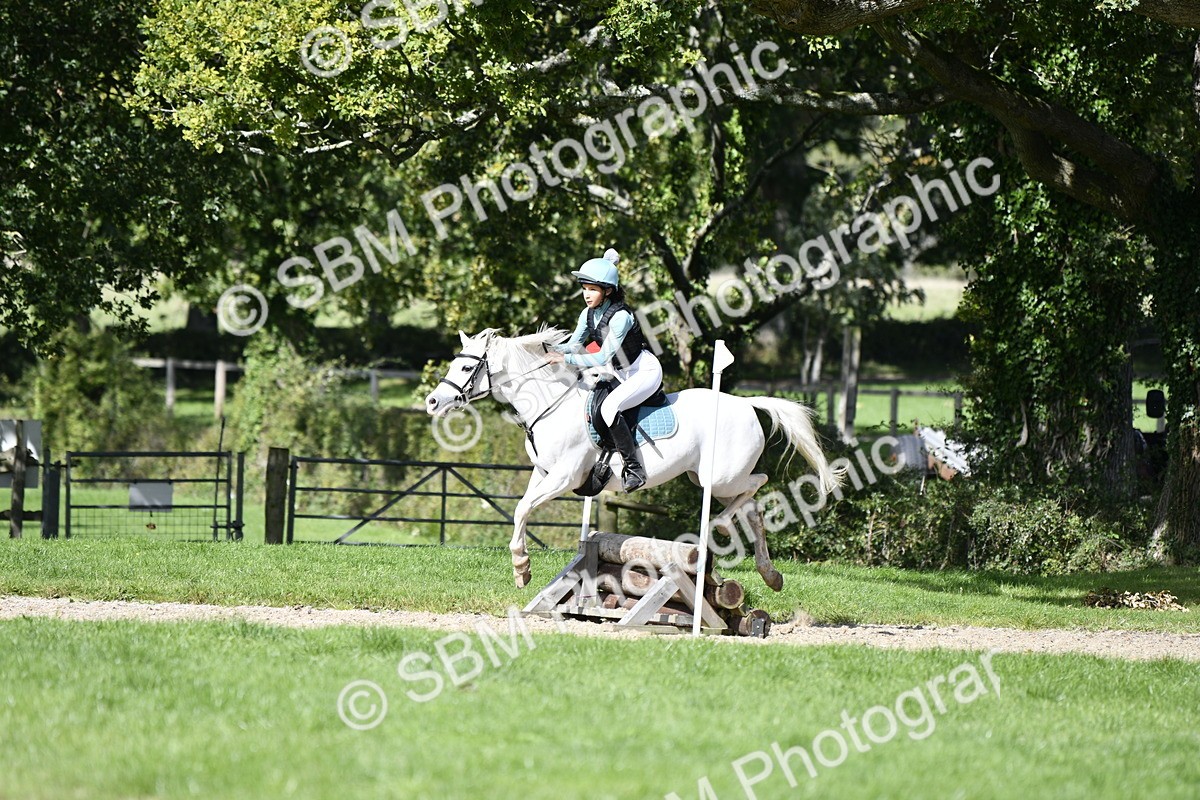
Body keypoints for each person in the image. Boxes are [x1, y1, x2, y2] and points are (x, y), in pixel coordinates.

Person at [545, 248, 662, 492]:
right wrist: (545, 348)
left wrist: (565, 359)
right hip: (621, 372)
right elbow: (575, 345)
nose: (586, 295)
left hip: (644, 371)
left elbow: (602, 355)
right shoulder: (587, 314)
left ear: (607, 291)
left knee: (609, 407)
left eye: (592, 289)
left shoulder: (620, 317)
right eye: (584, 288)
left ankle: (634, 469)